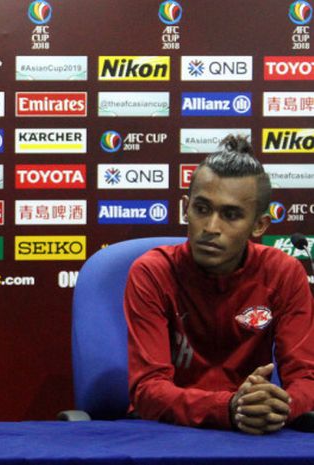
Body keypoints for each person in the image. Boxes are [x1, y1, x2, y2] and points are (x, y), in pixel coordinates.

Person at [125, 135, 314, 434]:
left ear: (260, 225)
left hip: (251, 431)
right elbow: (148, 390)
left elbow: (306, 378)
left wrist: (279, 405)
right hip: (167, 434)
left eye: (231, 215)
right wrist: (229, 407)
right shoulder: (152, 272)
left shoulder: (283, 272)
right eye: (202, 209)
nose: (211, 228)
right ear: (185, 208)